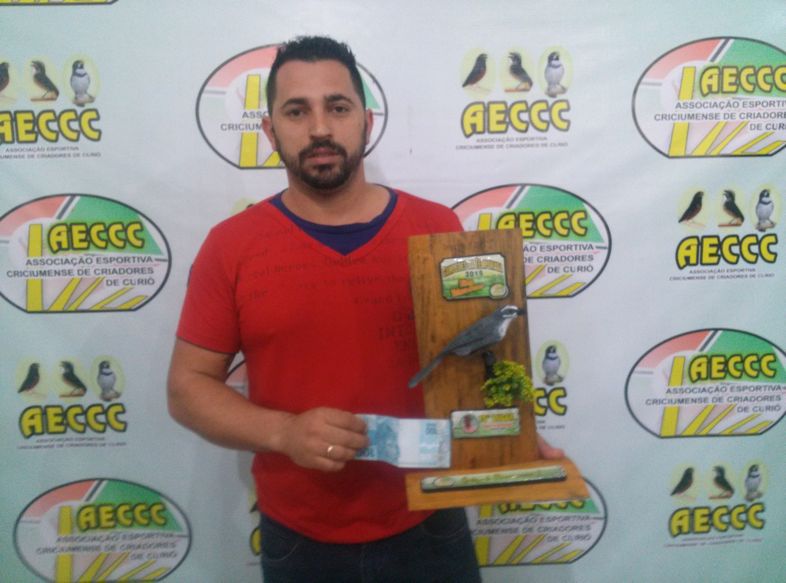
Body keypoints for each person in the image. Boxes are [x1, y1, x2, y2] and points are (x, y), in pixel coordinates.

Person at [168, 35, 563, 583]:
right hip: (301, 537)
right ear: (269, 130)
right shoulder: (231, 246)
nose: (320, 128)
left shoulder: (436, 229)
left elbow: (470, 364)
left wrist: (507, 434)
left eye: (338, 107)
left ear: (367, 122)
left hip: (430, 519)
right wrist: (284, 434)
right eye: (296, 111)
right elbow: (187, 389)